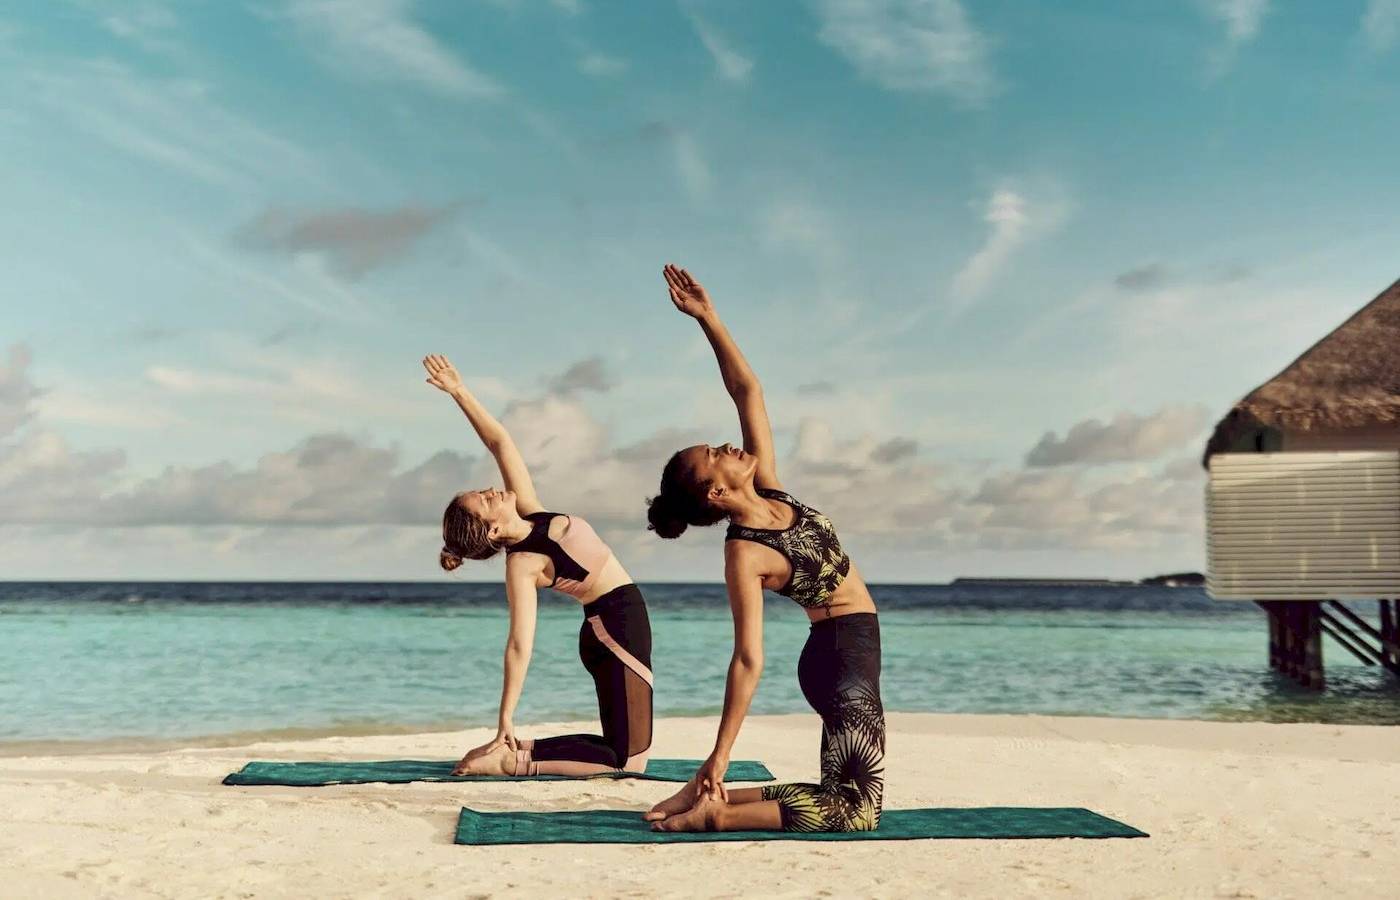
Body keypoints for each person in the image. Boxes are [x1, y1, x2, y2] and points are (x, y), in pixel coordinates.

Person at [640, 265, 884, 833]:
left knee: (843, 791)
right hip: (838, 658)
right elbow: (748, 659)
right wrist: (722, 749)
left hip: (854, 648)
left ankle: (701, 794)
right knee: (857, 812)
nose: (729, 444)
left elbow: (747, 390)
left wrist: (708, 318)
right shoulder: (744, 553)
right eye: (716, 453)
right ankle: (714, 815)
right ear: (716, 491)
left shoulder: (772, 490)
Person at [423, 354, 653, 777]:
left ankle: (516, 749)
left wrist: (459, 391)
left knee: (624, 749)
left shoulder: (530, 511)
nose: (493, 489)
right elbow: (518, 645)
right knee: (629, 761)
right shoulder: (523, 564)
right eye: (486, 500)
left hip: (621, 621)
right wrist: (505, 715)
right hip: (612, 626)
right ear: (491, 532)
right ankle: (513, 760)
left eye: (483, 490)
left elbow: (500, 443)